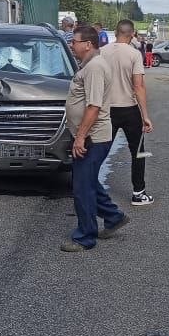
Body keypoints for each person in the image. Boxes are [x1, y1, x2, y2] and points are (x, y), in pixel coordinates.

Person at [61, 25, 128, 251]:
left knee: (82, 188)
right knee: (87, 182)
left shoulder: (95, 68)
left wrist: (80, 137)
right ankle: (113, 216)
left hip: (93, 137)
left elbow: (94, 106)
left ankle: (85, 237)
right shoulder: (89, 65)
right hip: (90, 136)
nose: (72, 45)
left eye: (75, 41)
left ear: (87, 44)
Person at [100, 20, 155, 206]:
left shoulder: (103, 51)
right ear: (132, 34)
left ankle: (90, 185)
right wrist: (145, 115)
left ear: (116, 33)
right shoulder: (134, 54)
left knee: (100, 149)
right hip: (129, 109)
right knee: (137, 152)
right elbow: (138, 86)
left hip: (107, 108)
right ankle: (139, 193)